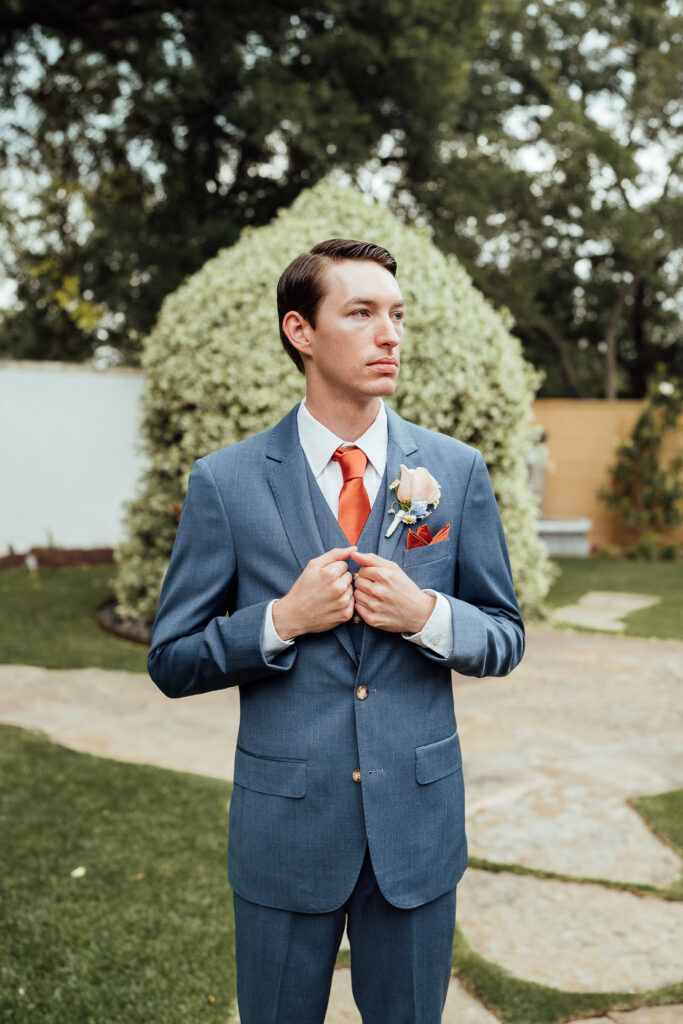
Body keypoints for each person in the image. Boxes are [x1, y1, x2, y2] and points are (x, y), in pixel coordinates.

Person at [148, 238, 524, 1024]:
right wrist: (279, 621)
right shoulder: (227, 481)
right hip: (285, 830)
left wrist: (428, 618)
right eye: (360, 313)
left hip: (415, 832)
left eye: (396, 314)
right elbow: (172, 659)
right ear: (301, 331)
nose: (390, 334)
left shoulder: (452, 472)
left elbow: (503, 634)